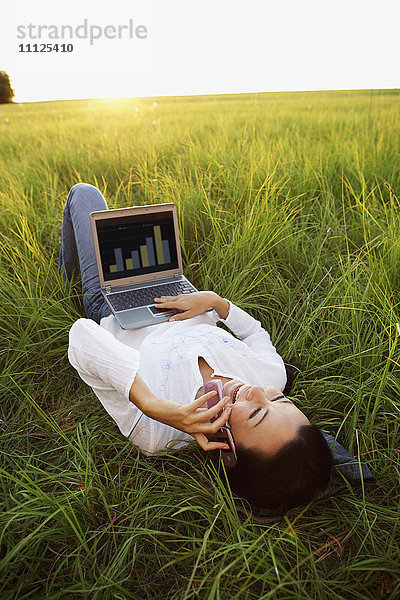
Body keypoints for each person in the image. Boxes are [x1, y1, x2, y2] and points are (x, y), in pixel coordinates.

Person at [61, 183, 333, 513]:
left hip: (112, 307)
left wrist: (151, 404)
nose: (261, 391)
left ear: (229, 448)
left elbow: (82, 337)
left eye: (259, 412)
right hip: (179, 297)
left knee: (85, 195)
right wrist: (216, 304)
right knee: (144, 226)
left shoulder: (156, 433)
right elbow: (257, 336)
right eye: (281, 399)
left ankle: (67, 274)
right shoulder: (270, 375)